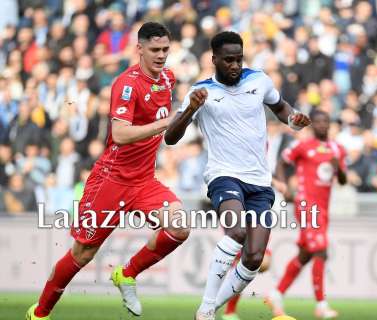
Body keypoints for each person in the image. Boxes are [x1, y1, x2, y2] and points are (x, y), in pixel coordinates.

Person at [27, 22, 190, 319]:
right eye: (155, 49)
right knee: (83, 254)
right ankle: (39, 313)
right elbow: (122, 133)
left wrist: (185, 117)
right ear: (139, 49)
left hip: (143, 181)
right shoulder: (126, 84)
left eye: (166, 49)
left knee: (179, 226)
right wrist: (166, 123)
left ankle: (126, 274)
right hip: (110, 181)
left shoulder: (168, 78)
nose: (161, 55)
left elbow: (166, 132)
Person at [164, 31, 311, 320]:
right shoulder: (201, 91)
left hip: (259, 181)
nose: (234, 65)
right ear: (214, 59)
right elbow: (170, 136)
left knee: (254, 258)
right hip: (224, 176)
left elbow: (282, 109)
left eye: (239, 59)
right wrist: (191, 109)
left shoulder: (259, 81)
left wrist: (295, 120)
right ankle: (207, 307)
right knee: (236, 231)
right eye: (228, 60)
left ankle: (209, 309)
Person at [265, 109, 347, 319]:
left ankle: (277, 293)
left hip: (323, 208)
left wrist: (340, 169)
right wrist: (285, 186)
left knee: (306, 253)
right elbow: (282, 163)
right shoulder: (302, 146)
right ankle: (321, 305)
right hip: (306, 204)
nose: (321, 124)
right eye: (317, 121)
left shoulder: (337, 149)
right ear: (312, 125)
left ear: (329, 124)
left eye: (325, 121)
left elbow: (343, 181)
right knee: (320, 250)